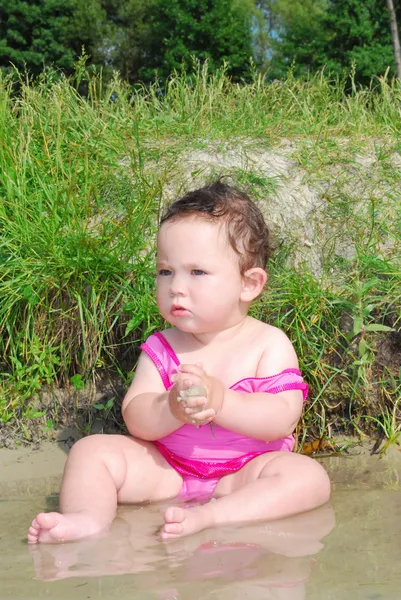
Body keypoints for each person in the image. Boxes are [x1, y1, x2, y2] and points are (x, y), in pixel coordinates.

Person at [27, 181, 331, 544]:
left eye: (197, 272)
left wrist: (222, 401)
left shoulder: (267, 344)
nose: (176, 287)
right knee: (90, 451)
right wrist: (170, 406)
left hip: (244, 473)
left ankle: (213, 517)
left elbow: (281, 418)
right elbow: (137, 418)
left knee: (308, 479)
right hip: (168, 470)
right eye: (166, 271)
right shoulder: (162, 346)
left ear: (248, 284)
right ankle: (86, 519)